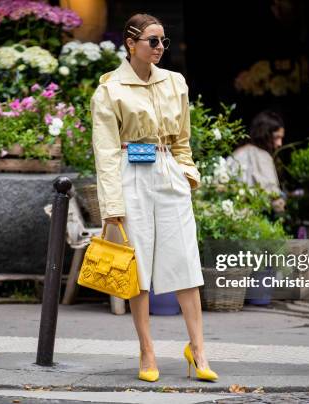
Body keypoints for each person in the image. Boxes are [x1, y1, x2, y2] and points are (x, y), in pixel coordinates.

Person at [90, 14, 218, 383]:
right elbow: (106, 152)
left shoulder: (176, 83)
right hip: (131, 176)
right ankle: (147, 350)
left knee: (186, 264)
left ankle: (198, 351)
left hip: (168, 172)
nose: (161, 47)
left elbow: (183, 139)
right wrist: (112, 207)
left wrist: (187, 173)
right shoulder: (110, 89)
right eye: (152, 41)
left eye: (163, 40)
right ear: (131, 44)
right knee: (138, 269)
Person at [227, 110, 286, 212]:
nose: (280, 143)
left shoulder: (237, 152)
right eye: (277, 137)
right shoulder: (262, 156)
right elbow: (272, 193)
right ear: (265, 134)